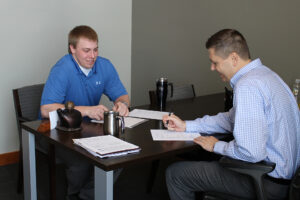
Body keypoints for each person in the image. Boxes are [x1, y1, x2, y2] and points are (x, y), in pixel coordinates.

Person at [163, 29, 300, 200]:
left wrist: (216, 146)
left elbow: (252, 153)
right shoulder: (268, 76)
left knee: (176, 173)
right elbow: (230, 118)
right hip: (288, 179)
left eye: (215, 62)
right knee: (210, 161)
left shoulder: (247, 86)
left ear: (234, 58)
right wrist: (187, 125)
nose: (212, 68)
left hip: (267, 182)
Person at [40, 25, 130, 200]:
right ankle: (75, 195)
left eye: (96, 50)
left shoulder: (104, 65)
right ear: (72, 49)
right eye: (86, 51)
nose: (92, 56)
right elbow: (45, 109)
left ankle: (86, 196)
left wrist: (123, 104)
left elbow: (122, 95)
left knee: (121, 155)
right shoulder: (62, 69)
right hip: (57, 131)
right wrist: (87, 110)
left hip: (87, 129)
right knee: (81, 161)